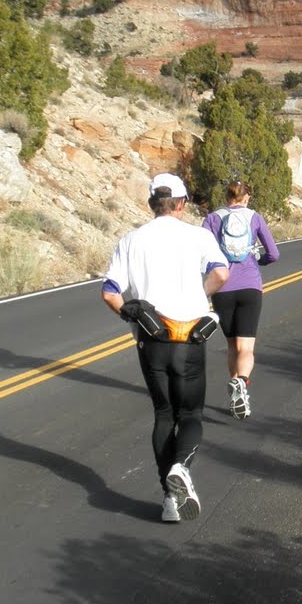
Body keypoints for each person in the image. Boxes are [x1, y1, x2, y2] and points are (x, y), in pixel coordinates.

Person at [102, 173, 229, 523]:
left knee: (163, 416)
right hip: (190, 336)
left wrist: (131, 316)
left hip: (151, 339)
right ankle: (182, 468)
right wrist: (199, 296)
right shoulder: (199, 236)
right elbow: (221, 274)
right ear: (183, 203)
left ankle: (169, 501)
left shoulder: (131, 240)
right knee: (190, 415)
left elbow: (111, 293)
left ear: (150, 204)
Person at [200, 180, 280, 419]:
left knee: (232, 345)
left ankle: (235, 383)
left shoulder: (213, 218)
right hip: (250, 288)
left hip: (222, 288)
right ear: (247, 198)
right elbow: (274, 254)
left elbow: (202, 254)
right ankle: (242, 383)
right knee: (246, 346)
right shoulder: (254, 217)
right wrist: (257, 262)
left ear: (226, 197)